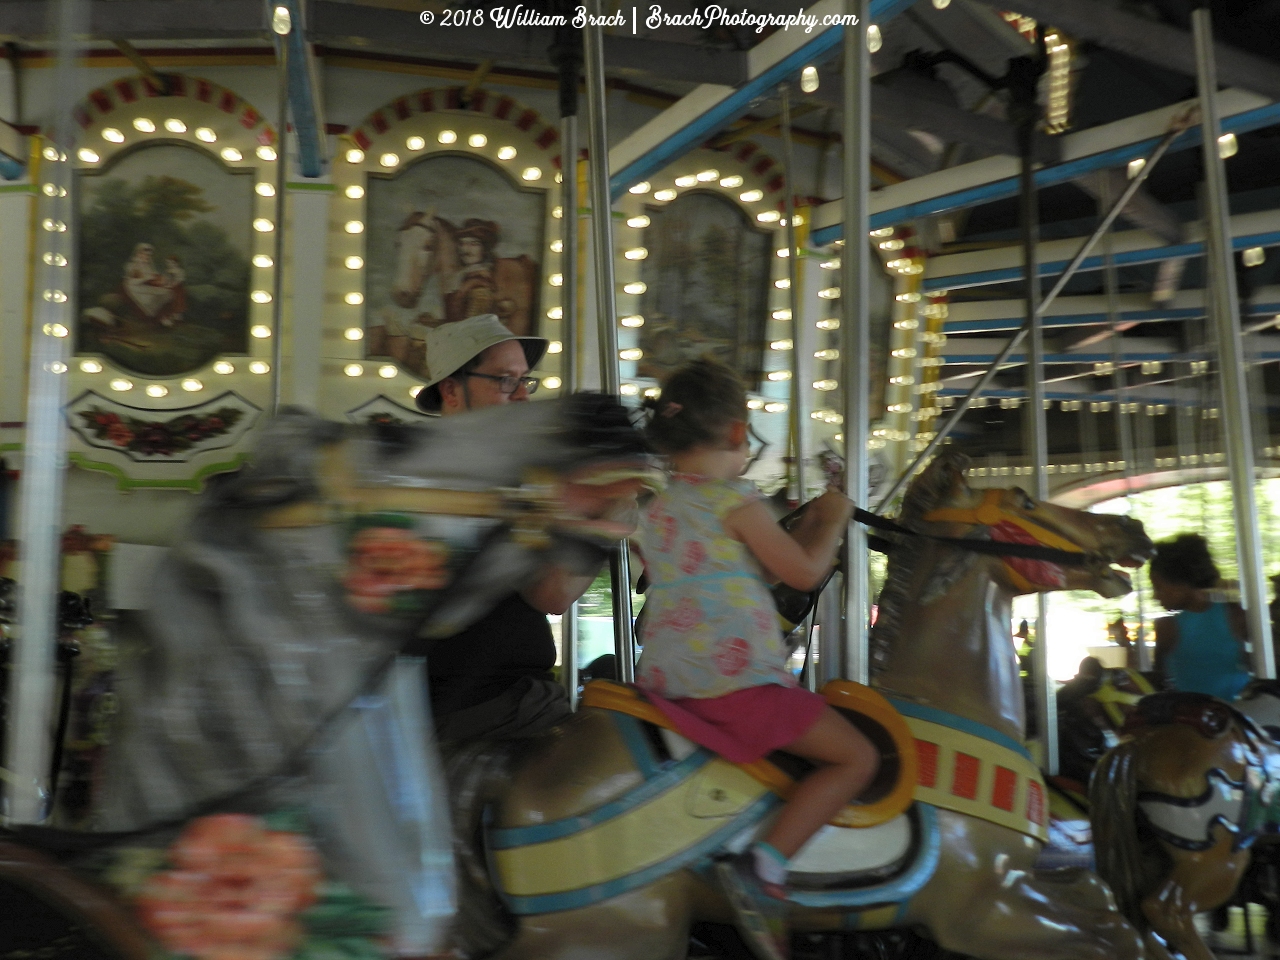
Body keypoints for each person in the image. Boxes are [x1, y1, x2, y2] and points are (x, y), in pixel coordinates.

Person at [633, 358, 878, 960]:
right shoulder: (735, 500)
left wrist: (803, 516)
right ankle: (763, 866)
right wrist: (832, 519)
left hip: (667, 683)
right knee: (857, 756)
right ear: (740, 434)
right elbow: (801, 571)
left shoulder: (658, 507)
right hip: (733, 684)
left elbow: (732, 570)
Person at [413, 314, 630, 744]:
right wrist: (611, 516)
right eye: (505, 381)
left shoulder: (478, 474)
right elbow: (554, 593)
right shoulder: (469, 481)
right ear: (452, 389)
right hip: (493, 708)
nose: (522, 398)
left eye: (525, 382)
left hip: (486, 700)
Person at [1149, 533, 1250, 701]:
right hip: (1239, 711)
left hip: (1192, 715)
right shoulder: (1235, 614)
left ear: (1180, 585)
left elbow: (1158, 679)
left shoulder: (1167, 627)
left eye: (1159, 588)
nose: (1155, 596)